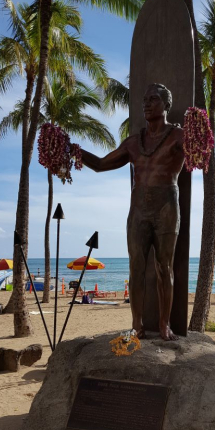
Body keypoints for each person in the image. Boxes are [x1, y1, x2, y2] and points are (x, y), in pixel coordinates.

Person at [78, 83, 184, 341]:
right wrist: (76, 152)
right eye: (144, 100)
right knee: (136, 267)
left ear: (166, 105)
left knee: (164, 268)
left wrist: (199, 137)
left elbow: (198, 157)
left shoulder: (178, 136)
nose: (146, 104)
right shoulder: (134, 142)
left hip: (166, 206)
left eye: (153, 99)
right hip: (138, 209)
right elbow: (102, 164)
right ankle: (137, 325)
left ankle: (164, 324)